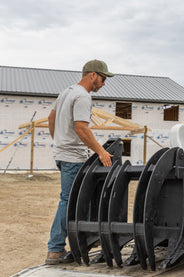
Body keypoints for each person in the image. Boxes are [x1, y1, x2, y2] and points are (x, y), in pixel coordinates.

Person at [45, 59, 114, 264]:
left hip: (62, 154)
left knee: (73, 200)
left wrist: (59, 143)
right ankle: (55, 249)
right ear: (92, 75)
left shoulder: (66, 92)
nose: (103, 83)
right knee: (68, 202)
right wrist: (101, 152)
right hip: (73, 158)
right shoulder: (83, 96)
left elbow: (51, 119)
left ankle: (86, 239)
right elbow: (81, 128)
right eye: (102, 79)